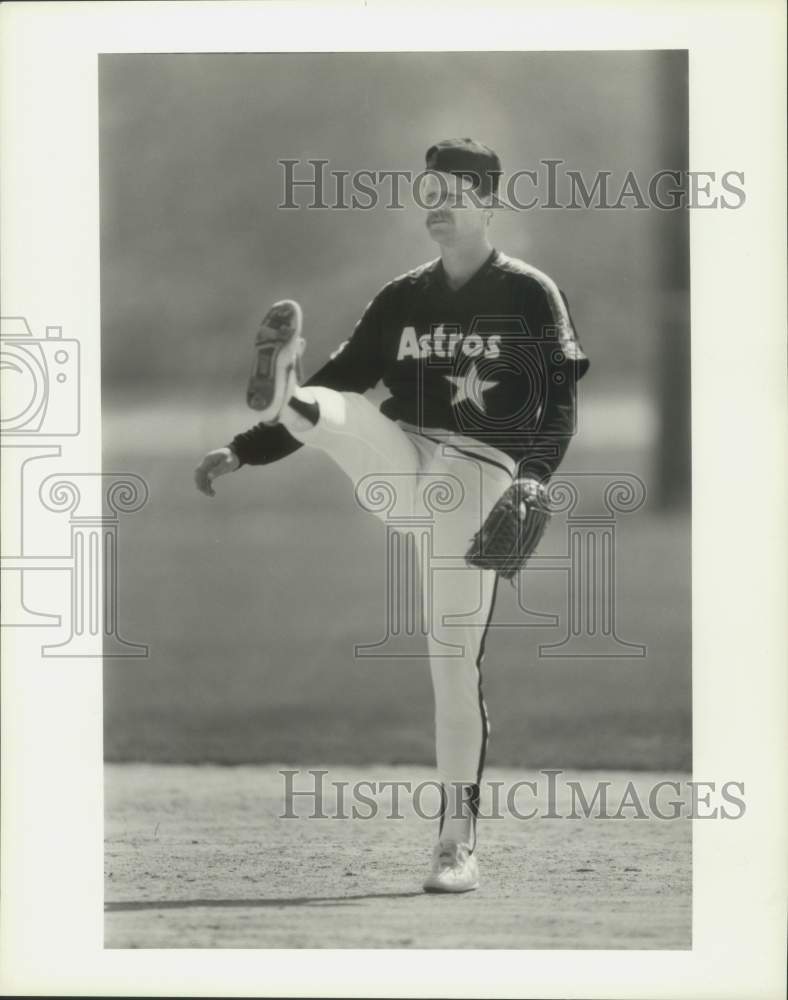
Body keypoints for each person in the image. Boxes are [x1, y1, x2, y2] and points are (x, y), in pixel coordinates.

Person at [195, 139, 589, 893]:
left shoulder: (529, 292)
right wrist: (245, 448)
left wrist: (537, 479)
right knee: (336, 406)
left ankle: (455, 844)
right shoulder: (402, 296)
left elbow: (559, 404)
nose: (436, 205)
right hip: (403, 456)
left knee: (450, 662)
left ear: (488, 203)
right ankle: (286, 393)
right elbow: (348, 377)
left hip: (479, 473)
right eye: (429, 191)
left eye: (453, 192)